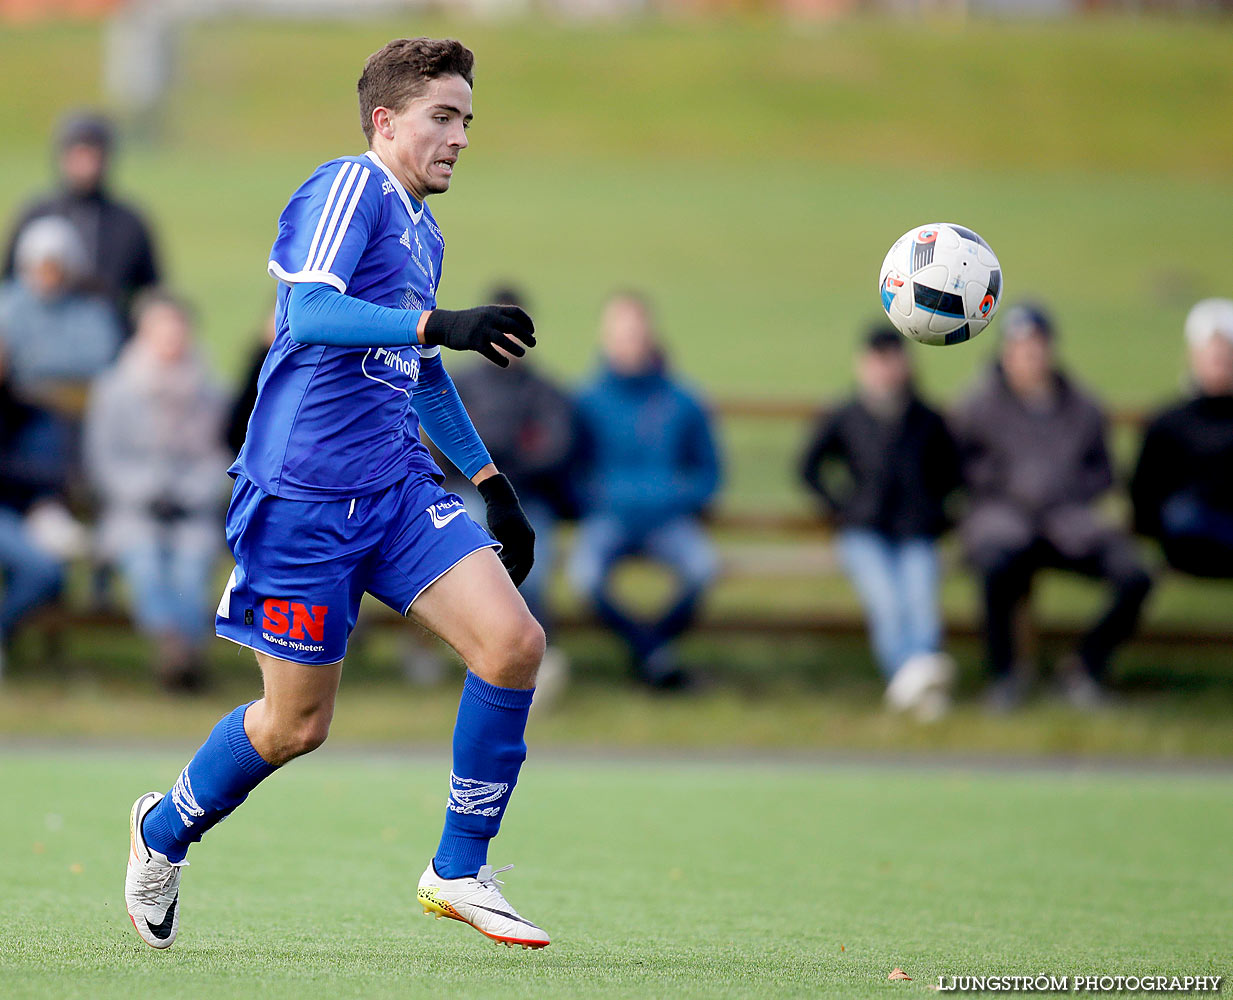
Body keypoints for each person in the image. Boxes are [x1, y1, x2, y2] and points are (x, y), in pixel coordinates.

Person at [123, 38, 549, 952]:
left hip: (394, 489)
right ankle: (161, 832)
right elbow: (310, 314)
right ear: (385, 122)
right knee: (294, 725)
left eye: (468, 119)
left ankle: (458, 869)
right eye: (443, 116)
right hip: (301, 503)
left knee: (513, 645)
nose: (461, 136)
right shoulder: (347, 189)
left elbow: (419, 366)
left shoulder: (423, 229)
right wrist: (440, 319)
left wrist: (489, 481)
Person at [952, 304, 1152, 711]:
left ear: (1050, 350)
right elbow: (955, 466)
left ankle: (1084, 666)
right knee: (995, 565)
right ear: (1005, 352)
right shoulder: (977, 403)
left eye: (1036, 347)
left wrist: (1071, 495)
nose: (1029, 357)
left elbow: (1104, 470)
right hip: (1003, 521)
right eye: (1020, 348)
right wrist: (1001, 490)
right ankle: (1005, 676)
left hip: (1069, 523)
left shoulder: (1082, 404)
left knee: (1136, 575)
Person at [799, 327, 961, 720]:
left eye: (892, 359)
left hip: (916, 530)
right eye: (877, 360)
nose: (885, 369)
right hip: (864, 530)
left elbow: (952, 473)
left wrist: (937, 512)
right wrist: (841, 508)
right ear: (862, 365)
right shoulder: (846, 415)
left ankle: (915, 681)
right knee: (887, 602)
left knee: (920, 599)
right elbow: (809, 468)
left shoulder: (926, 418)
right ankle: (914, 677)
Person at [568, 292, 721, 690]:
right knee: (583, 578)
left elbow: (709, 474)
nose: (628, 342)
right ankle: (653, 654)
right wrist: (599, 498)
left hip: (668, 522)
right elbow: (571, 473)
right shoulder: (586, 401)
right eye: (619, 334)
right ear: (604, 338)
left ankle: (651, 653)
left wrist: (673, 496)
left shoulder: (683, 400)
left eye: (635, 333)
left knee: (705, 569)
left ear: (650, 335)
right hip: (609, 520)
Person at [85, 291, 229, 692]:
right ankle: (174, 647)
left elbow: (221, 457)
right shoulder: (116, 388)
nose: (171, 340)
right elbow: (103, 459)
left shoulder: (210, 390)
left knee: (191, 564)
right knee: (145, 562)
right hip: (132, 511)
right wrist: (146, 491)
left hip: (191, 510)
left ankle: (184, 653)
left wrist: (189, 492)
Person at [450, 284, 577, 704]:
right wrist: (495, 459)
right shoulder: (457, 385)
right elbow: (435, 446)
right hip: (467, 495)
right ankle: (474, 658)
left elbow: (554, 450)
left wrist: (494, 461)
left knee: (531, 570)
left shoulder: (543, 390)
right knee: (468, 557)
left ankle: (537, 659)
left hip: (526, 499)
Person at [3, 111, 160, 327]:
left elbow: (150, 292)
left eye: (92, 155)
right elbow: (10, 284)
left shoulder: (128, 222)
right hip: (39, 337)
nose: (85, 165)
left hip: (109, 337)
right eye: (78, 154)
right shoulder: (36, 214)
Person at [0, 216, 122, 489]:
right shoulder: (8, 307)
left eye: (55, 267)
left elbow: (102, 357)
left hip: (85, 411)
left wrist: (37, 363)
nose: (48, 277)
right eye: (41, 268)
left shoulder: (90, 308)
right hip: (27, 412)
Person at [1131, 298, 1233, 578]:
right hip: (1187, 538)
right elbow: (1144, 496)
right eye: (1213, 354)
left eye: (1226, 354)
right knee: (1184, 515)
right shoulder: (1169, 422)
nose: (1220, 362)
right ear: (1193, 356)